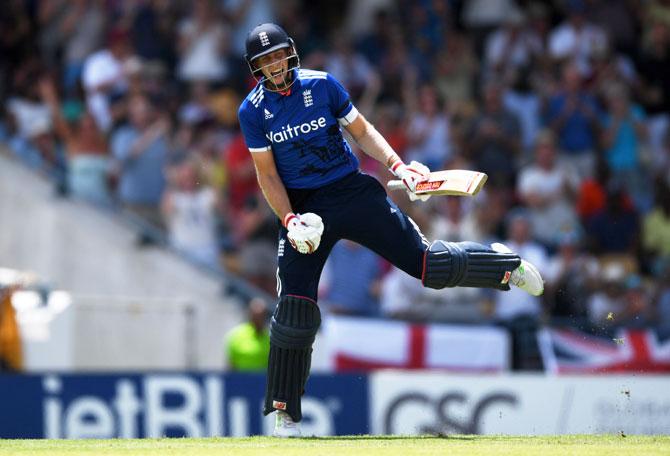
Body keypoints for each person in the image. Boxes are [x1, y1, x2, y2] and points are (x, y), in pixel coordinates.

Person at [237, 23, 544, 437]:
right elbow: (267, 176)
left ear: (290, 52)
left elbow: (361, 131)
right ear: (256, 68)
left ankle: (504, 265)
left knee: (428, 266)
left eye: (278, 55)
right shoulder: (252, 112)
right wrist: (290, 220)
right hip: (305, 211)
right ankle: (285, 414)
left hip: (352, 192)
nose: (275, 65)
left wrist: (400, 167)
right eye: (265, 60)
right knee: (294, 310)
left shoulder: (323, 85)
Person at [225, 297, 270, 371]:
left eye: (261, 316)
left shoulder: (271, 338)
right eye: (256, 316)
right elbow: (231, 364)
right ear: (250, 315)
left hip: (263, 381)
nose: (258, 320)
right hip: (240, 380)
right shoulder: (236, 336)